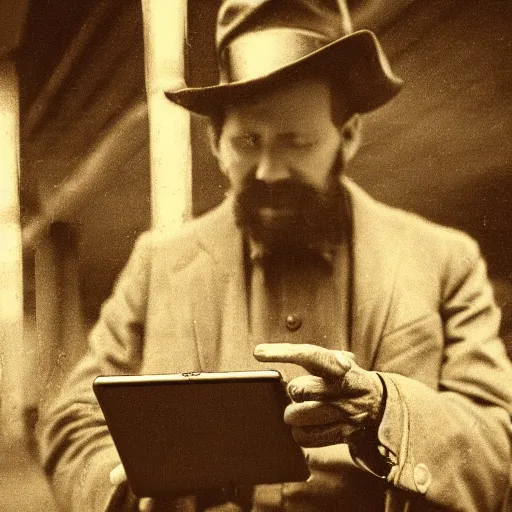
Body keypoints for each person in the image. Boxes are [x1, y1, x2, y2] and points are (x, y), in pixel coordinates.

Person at [38, 1, 512, 511]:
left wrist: (384, 409)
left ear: (347, 136)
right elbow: (70, 419)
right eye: (246, 141)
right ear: (215, 142)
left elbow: (494, 443)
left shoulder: (445, 260)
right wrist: (122, 490)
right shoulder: (157, 264)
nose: (268, 170)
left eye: (295, 141)